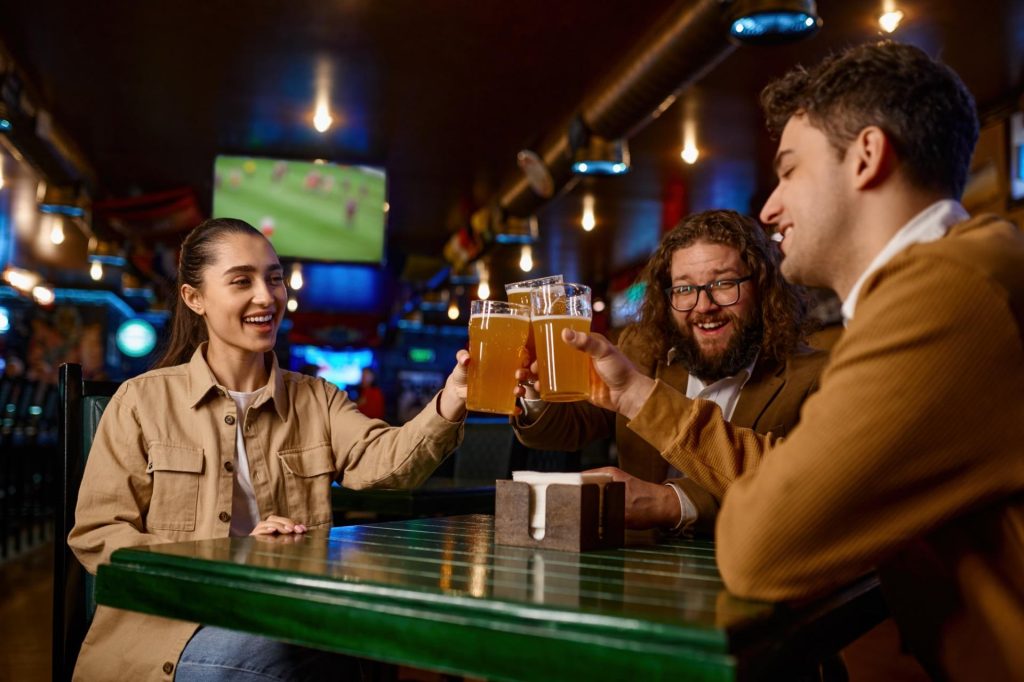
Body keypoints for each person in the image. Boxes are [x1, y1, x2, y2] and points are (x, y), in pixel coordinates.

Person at [554, 41, 1024, 680]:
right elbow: (798, 474)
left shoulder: (943, 292)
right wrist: (636, 396)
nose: (771, 207)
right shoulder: (962, 270)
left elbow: (761, 547)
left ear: (867, 157)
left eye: (790, 170)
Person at [68, 218, 474, 681]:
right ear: (194, 298)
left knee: (358, 644)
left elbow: (386, 463)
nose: (267, 296)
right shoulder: (141, 401)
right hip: (166, 634)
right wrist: (233, 556)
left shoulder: (317, 398)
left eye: (275, 278)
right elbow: (99, 535)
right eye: (242, 280)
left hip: (282, 616)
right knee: (310, 656)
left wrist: (454, 396)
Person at [513, 209, 827, 534]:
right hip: (641, 572)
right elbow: (570, 427)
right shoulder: (643, 351)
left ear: (761, 286)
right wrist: (536, 394)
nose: (703, 306)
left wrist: (669, 501)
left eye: (723, 283)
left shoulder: (815, 377)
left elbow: (803, 490)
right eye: (684, 289)